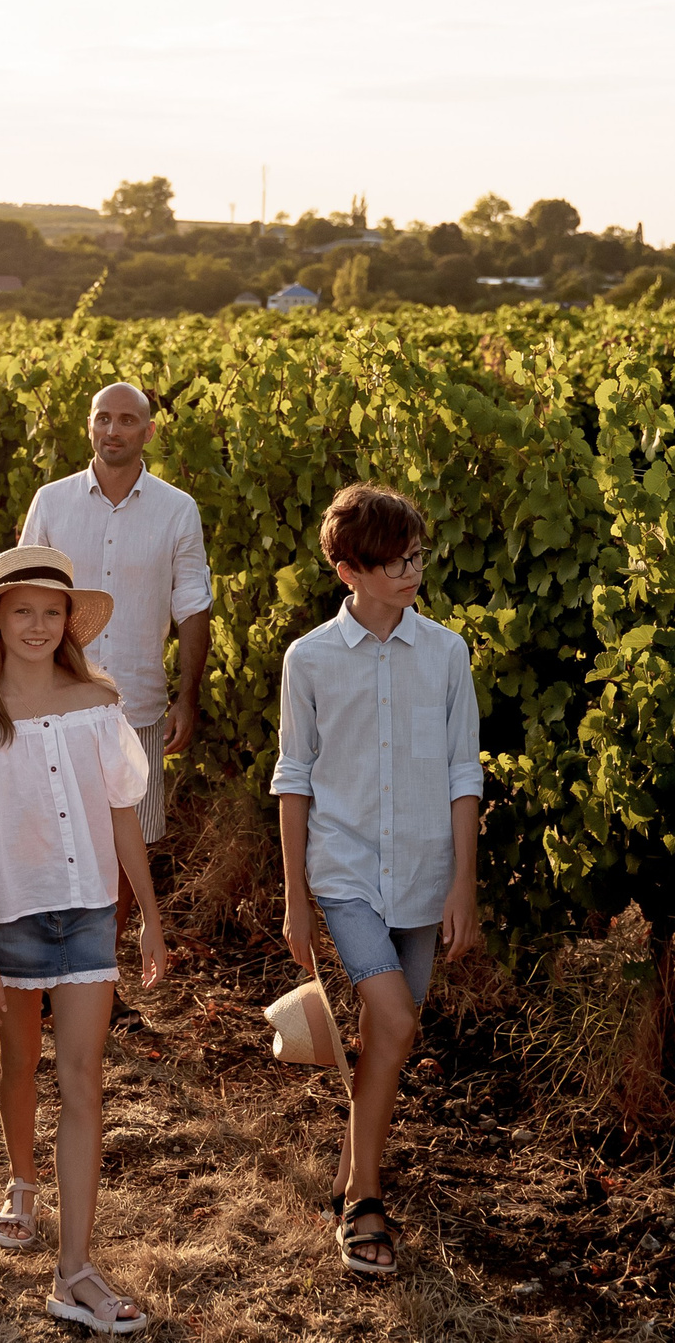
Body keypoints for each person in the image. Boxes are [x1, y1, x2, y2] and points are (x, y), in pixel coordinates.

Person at [0, 545, 168, 1336]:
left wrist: (152, 917)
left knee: (84, 1080)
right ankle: (21, 1178)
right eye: (22, 609)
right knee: (18, 1058)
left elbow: (121, 811)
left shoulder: (97, 700)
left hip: (90, 912)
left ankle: (75, 1268)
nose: (39, 624)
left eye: (53, 611)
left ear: (70, 623)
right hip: (14, 917)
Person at [271, 482, 480, 1276]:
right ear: (348, 569)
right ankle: (364, 1200)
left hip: (426, 876)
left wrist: (463, 883)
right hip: (346, 872)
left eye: (418, 557)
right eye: (396, 562)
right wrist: (296, 895)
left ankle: (349, 1173)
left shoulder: (448, 652)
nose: (413, 572)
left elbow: (466, 770)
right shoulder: (311, 658)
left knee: (384, 1040)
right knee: (393, 1023)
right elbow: (294, 777)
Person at [19, 383, 210, 904]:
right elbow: (19, 598)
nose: (113, 430)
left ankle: (100, 978)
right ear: (89, 425)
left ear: (148, 432)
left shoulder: (177, 510)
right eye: (103, 418)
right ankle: (62, 973)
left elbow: (193, 605)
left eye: (127, 420)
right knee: (50, 841)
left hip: (137, 706)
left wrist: (186, 696)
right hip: (50, 701)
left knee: (129, 849)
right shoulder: (51, 502)